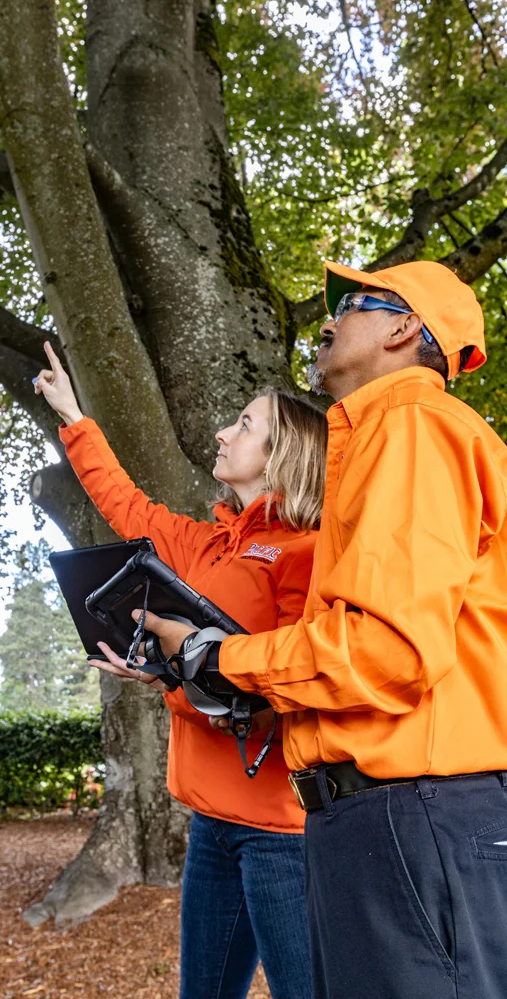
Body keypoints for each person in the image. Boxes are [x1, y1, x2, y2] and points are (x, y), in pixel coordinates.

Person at [142, 259, 507, 999]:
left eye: (355, 304)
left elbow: (386, 648)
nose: (330, 320)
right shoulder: (386, 440)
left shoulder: (409, 427)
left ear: (404, 329)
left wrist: (215, 657)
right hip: (392, 815)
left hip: (412, 814)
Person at [34, 340, 327, 999]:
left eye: (244, 425)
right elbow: (127, 507)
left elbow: (295, 690)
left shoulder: (308, 553)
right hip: (211, 822)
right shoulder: (206, 543)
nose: (223, 433)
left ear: (281, 454)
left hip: (281, 834)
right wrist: (73, 417)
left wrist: (188, 665)